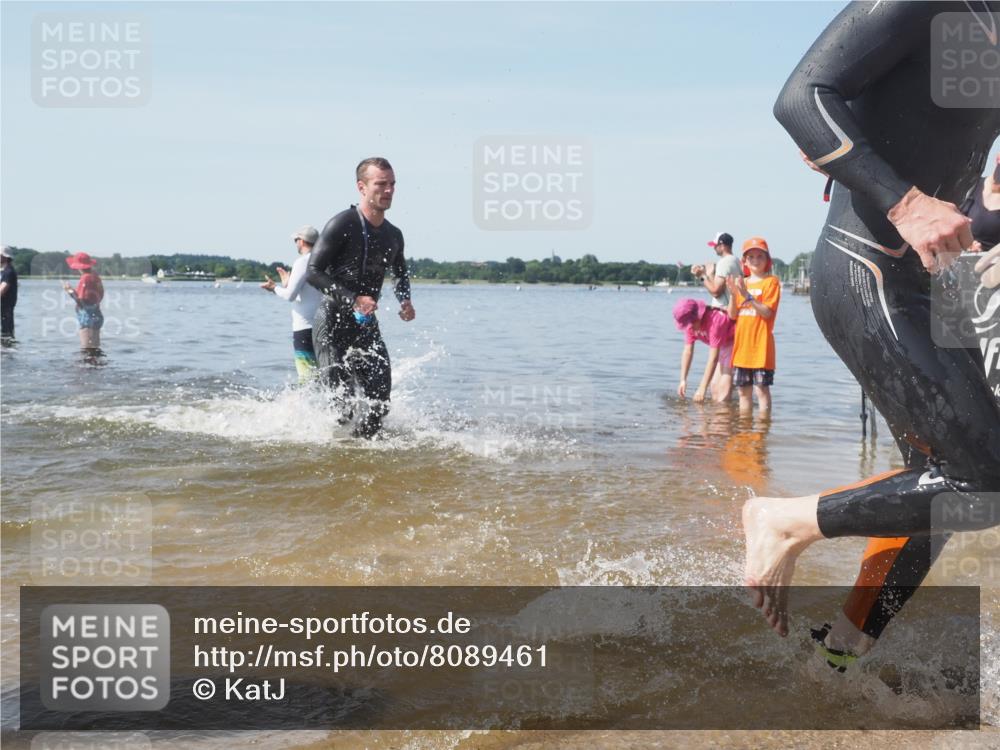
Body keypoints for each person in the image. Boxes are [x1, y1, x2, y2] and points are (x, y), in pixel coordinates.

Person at [741, 0, 1000, 664]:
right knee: (985, 480)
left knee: (940, 490)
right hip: (867, 271)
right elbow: (801, 99)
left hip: (931, 285)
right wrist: (902, 199)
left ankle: (839, 656)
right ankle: (781, 520)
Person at [306, 157, 415, 438]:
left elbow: (400, 273)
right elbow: (314, 272)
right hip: (331, 322)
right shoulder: (343, 223)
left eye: (392, 184)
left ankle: (367, 455)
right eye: (381, 184)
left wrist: (405, 300)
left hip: (365, 325)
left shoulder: (393, 235)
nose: (389, 190)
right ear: (362, 187)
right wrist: (354, 299)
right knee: (342, 409)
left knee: (380, 401)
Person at [261, 225, 323, 383]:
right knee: (324, 377)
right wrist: (288, 283)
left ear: (301, 241)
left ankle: (306, 407)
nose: (296, 243)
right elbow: (310, 292)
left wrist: (274, 288)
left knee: (307, 379)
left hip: (304, 328)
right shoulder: (324, 262)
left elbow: (290, 296)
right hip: (324, 327)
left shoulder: (302, 262)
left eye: (296, 240)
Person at [725, 238, 780, 416]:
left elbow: (767, 312)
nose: (755, 260)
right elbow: (732, 315)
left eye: (759, 256)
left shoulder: (771, 282)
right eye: (751, 257)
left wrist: (746, 295)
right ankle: (745, 431)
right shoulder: (743, 283)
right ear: (745, 261)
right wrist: (734, 294)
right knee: (743, 392)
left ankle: (763, 431)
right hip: (742, 348)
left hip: (761, 348)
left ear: (767, 259)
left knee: (761, 390)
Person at [691, 232, 742, 400]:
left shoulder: (725, 262)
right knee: (720, 381)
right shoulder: (735, 261)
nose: (714, 249)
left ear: (722, 245)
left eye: (715, 246)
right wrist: (711, 274)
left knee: (723, 376)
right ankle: (730, 414)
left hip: (723, 320)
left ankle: (724, 414)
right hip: (730, 318)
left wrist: (703, 276)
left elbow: (716, 291)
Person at [673, 297, 734, 403]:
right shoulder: (690, 327)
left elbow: (713, 359)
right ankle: (728, 413)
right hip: (724, 345)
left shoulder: (715, 321)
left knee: (723, 389)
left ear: (698, 317)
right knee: (714, 387)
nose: (689, 328)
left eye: (690, 324)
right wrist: (683, 380)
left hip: (737, 340)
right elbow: (688, 352)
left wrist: (702, 388)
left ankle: (724, 416)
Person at [63, 252, 104, 351]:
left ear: (79, 267)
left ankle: (86, 366)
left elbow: (81, 300)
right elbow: (97, 295)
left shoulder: (85, 278)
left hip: (87, 317)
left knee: (86, 349)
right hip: (97, 315)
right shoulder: (95, 277)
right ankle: (97, 365)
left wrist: (69, 290)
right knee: (95, 348)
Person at [0, 246, 18, 341]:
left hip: (6, 308)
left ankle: (7, 354)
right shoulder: (5, 271)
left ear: (4, 257)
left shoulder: (8, 272)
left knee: (6, 334)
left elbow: (2, 290)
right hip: (4, 308)